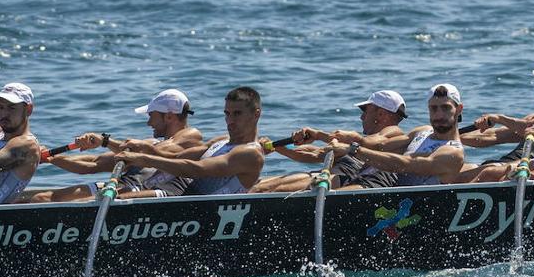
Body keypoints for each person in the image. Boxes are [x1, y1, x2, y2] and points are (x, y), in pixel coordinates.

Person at [28, 89, 202, 202]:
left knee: (80, 202)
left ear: (169, 116)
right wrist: (49, 157)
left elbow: (153, 155)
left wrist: (105, 141)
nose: (149, 123)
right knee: (42, 198)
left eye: (151, 115)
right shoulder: (154, 141)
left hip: (142, 194)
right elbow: (94, 163)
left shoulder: (191, 137)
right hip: (122, 186)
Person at [114, 86, 266, 197]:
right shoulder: (221, 140)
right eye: (227, 114)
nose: (230, 121)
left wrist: (145, 158)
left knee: (121, 199)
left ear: (256, 114)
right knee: (116, 195)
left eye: (237, 114)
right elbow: (177, 158)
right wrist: (145, 149)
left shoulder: (250, 153)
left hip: (202, 214)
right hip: (184, 200)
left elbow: (196, 169)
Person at [250, 89, 409, 193]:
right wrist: (277, 147)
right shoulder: (356, 146)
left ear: (381, 114)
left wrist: (319, 135)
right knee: (259, 185)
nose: (361, 117)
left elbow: (372, 142)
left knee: (267, 188)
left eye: (365, 111)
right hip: (340, 178)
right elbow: (316, 154)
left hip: (356, 184)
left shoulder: (394, 133)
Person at [325, 84, 465, 186]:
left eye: (446, 108)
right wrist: (348, 140)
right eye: (434, 108)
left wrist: (354, 150)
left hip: (403, 204)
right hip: (382, 184)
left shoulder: (453, 152)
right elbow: (381, 145)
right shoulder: (422, 131)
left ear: (459, 109)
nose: (439, 115)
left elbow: (405, 164)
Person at [0, 83, 39, 204]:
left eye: (11, 108)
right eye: (0, 107)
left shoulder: (27, 144)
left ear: (28, 109)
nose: (4, 114)